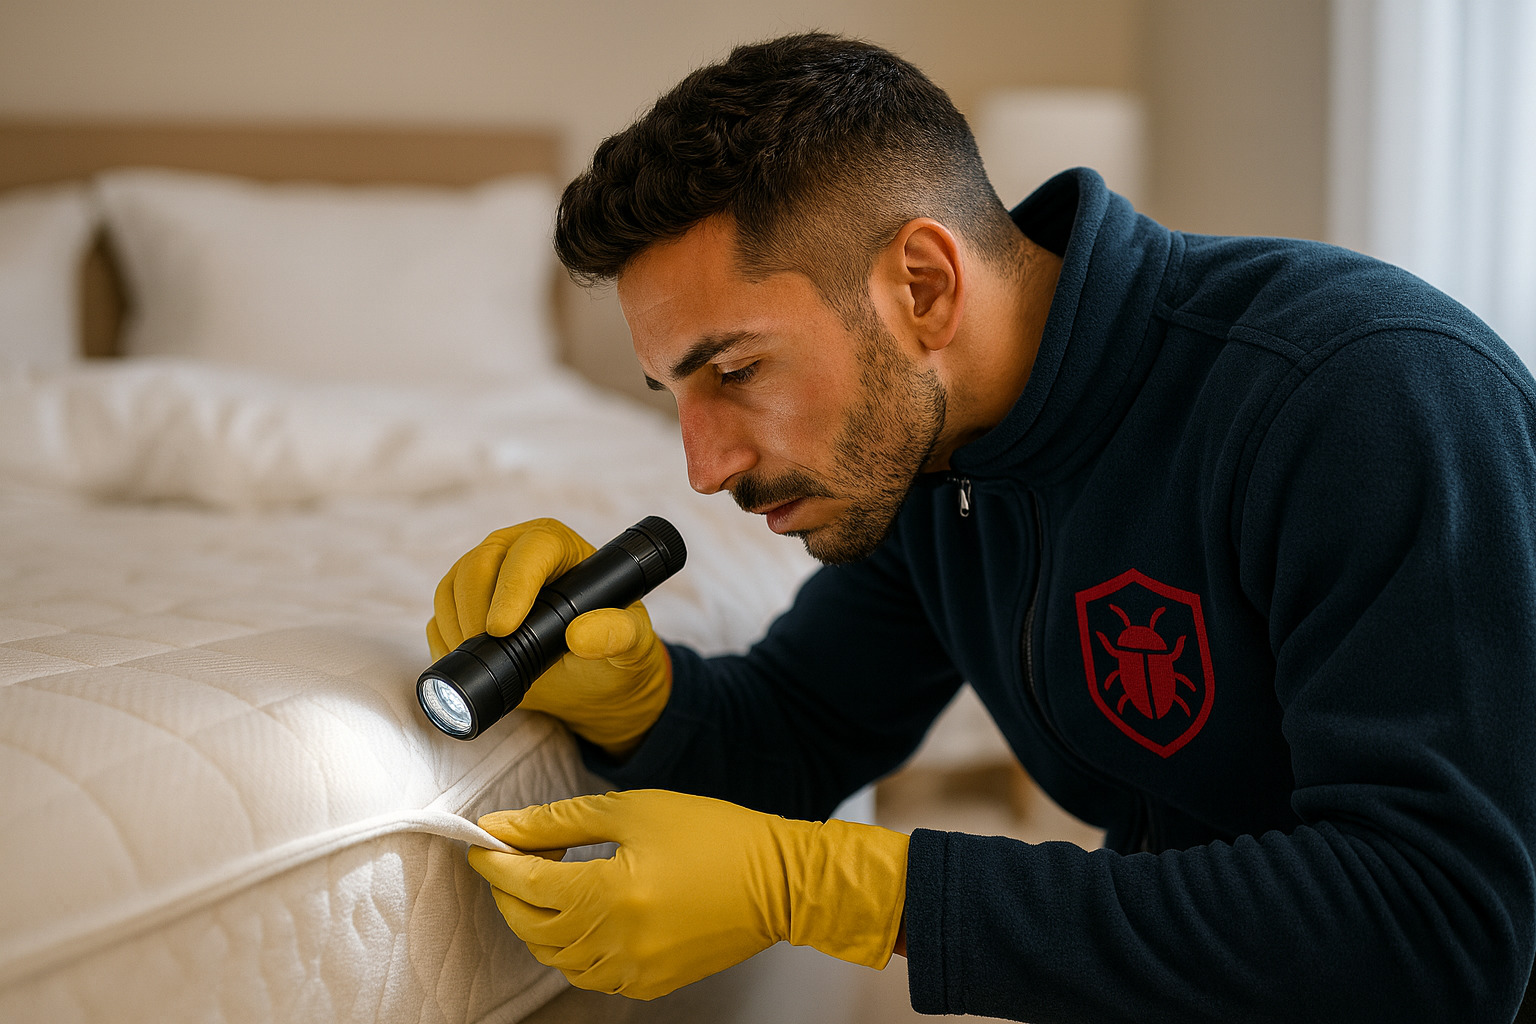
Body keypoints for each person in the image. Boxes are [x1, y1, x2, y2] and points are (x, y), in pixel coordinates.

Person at [429, 32, 1536, 1022]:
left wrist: (846, 888)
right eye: (674, 393)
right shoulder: (938, 461)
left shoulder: (1364, 395)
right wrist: (641, 702)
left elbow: (1438, 927)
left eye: (736, 370)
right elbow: (801, 732)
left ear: (922, 284)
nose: (705, 465)